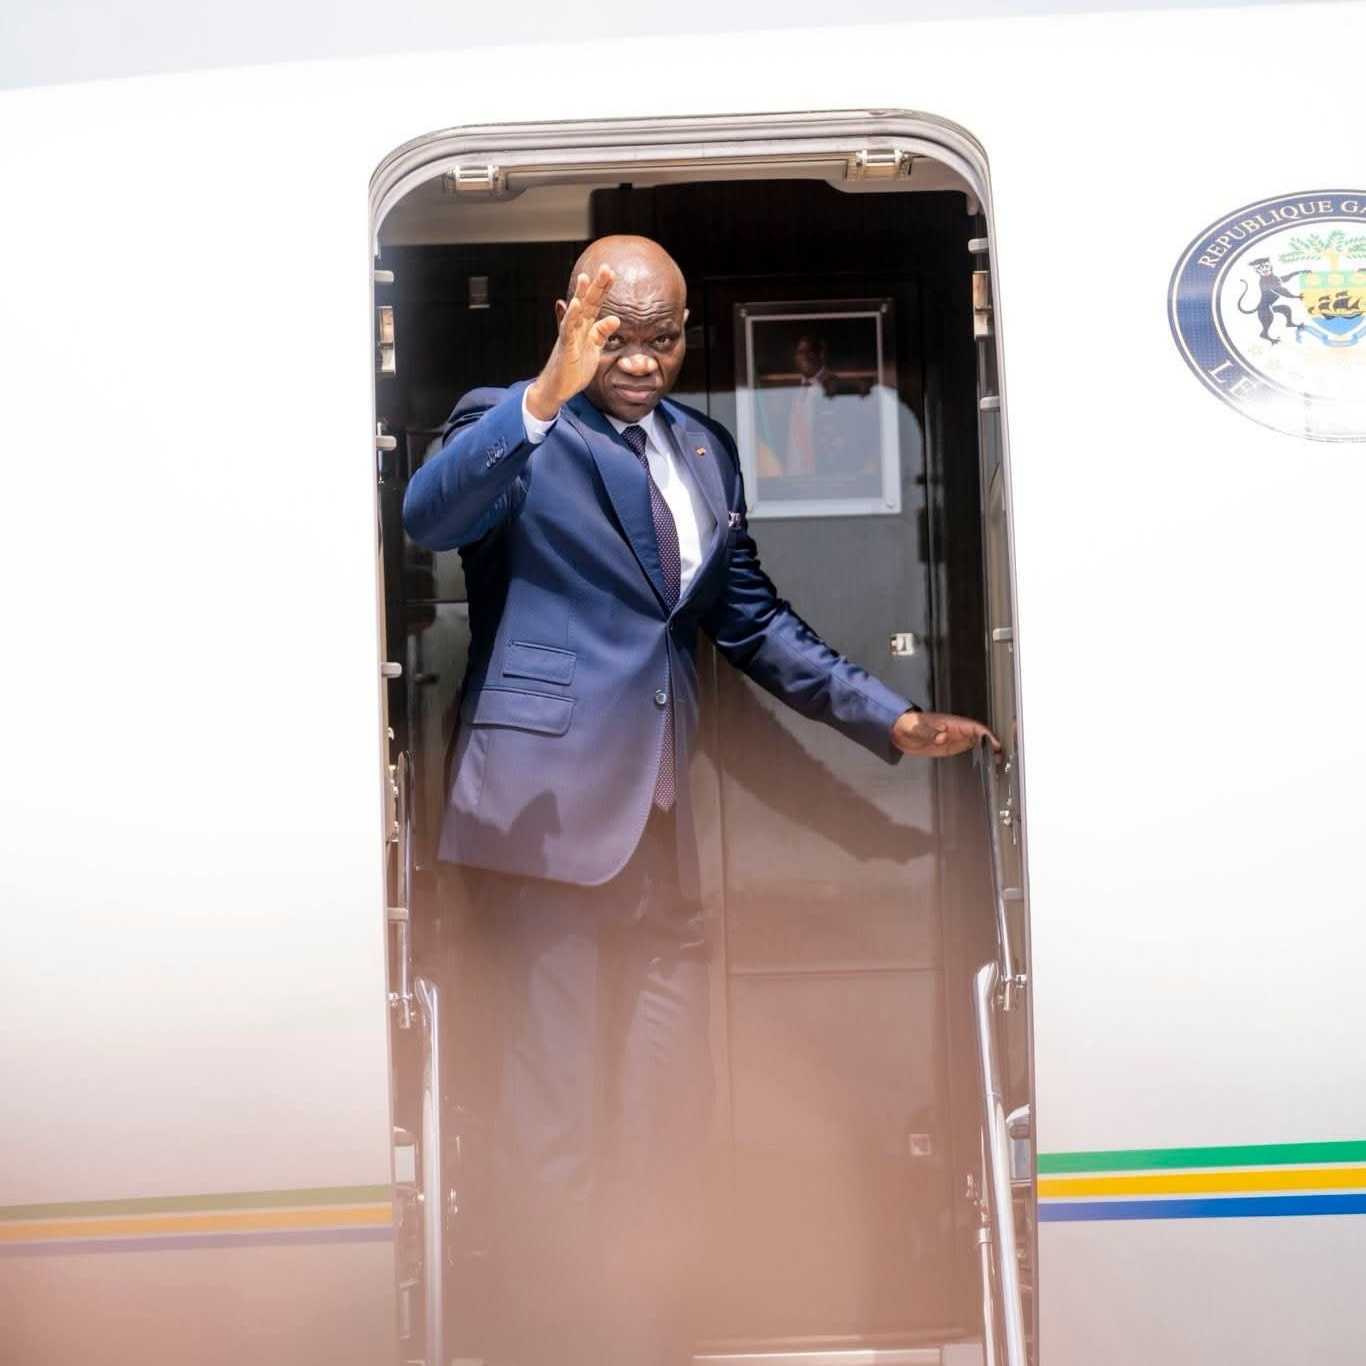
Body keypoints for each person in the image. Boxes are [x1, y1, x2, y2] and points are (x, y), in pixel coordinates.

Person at [401, 234, 996, 1366]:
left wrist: (888, 718)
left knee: (665, 1121)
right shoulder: (513, 422)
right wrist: (546, 393)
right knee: (553, 1125)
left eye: (664, 338)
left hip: (659, 840)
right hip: (541, 833)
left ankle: (645, 1338)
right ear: (573, 318)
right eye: (618, 335)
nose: (642, 359)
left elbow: (750, 620)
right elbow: (432, 516)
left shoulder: (701, 449)